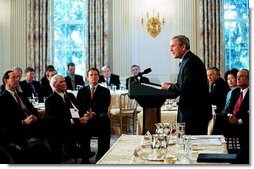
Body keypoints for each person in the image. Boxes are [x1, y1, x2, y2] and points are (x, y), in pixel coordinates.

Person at [161, 35, 212, 135]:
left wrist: (168, 87)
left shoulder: (191, 62)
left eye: (173, 46)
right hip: (190, 111)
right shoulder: (186, 60)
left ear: (183, 46)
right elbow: (184, 85)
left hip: (195, 113)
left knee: (194, 145)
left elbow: (186, 88)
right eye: (169, 47)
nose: (170, 49)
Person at [0, 70, 51, 163]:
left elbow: (33, 110)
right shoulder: (2, 99)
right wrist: (23, 121)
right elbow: (5, 122)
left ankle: (55, 156)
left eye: (17, 78)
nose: (16, 80)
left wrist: (35, 116)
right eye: (13, 78)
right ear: (5, 81)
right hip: (20, 128)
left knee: (51, 123)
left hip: (32, 124)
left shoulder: (21, 95)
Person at [45, 74, 91, 163]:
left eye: (64, 81)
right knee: (83, 129)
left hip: (77, 123)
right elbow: (52, 119)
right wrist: (73, 120)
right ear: (54, 85)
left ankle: (84, 155)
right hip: (63, 127)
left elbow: (79, 109)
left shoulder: (70, 95)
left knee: (88, 124)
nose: (64, 83)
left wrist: (85, 116)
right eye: (61, 82)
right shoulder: (50, 100)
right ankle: (79, 152)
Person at [77, 68, 111, 162]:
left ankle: (101, 157)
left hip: (98, 120)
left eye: (95, 74)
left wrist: (93, 114)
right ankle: (85, 156)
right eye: (91, 75)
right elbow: (79, 108)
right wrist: (86, 116)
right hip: (85, 120)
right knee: (81, 125)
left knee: (105, 118)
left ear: (99, 77)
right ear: (87, 78)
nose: (93, 77)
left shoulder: (105, 91)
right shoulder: (81, 91)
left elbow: (104, 108)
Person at [224, 69, 249, 150]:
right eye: (237, 77)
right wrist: (230, 116)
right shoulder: (235, 92)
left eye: (241, 76)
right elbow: (229, 109)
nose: (238, 79)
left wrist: (238, 121)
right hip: (232, 121)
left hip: (245, 124)